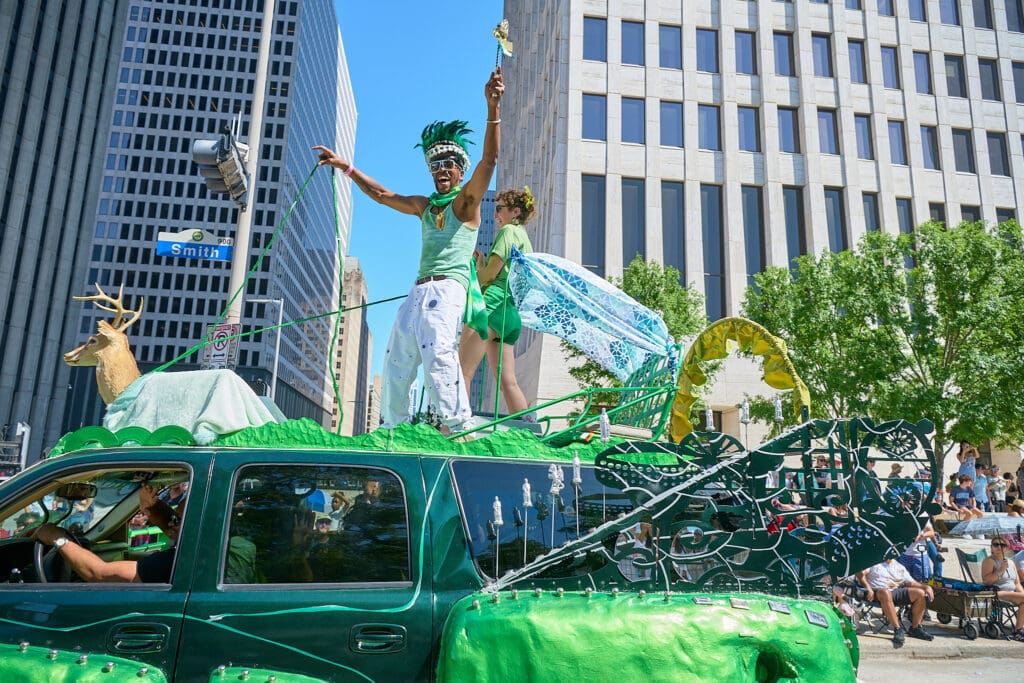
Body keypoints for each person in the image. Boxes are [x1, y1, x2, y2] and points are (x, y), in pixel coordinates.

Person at [313, 68, 504, 434]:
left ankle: (459, 428)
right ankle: (391, 429)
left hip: (448, 289)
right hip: (419, 289)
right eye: (435, 165)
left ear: (460, 170)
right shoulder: (424, 205)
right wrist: (346, 168)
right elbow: (384, 196)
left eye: (449, 164)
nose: (441, 170)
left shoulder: (465, 204)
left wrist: (492, 109)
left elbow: (490, 161)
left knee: (438, 354)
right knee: (398, 357)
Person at [458, 186, 535, 417]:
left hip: (491, 307)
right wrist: (481, 270)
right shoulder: (525, 240)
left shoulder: (508, 232)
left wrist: (468, 278)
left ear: (516, 212)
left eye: (499, 208)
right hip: (510, 315)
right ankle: (527, 433)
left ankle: (452, 431)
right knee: (508, 383)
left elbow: (491, 275)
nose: (495, 214)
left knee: (463, 370)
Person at [31, 483, 180, 583]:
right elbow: (174, 528)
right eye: (173, 518)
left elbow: (99, 574)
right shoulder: (190, 556)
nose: (171, 524)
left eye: (177, 520)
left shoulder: (175, 562)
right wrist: (152, 506)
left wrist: (58, 538)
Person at [859, 553, 935, 648]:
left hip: (895, 592)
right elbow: (860, 574)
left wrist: (926, 587)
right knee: (885, 592)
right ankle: (897, 628)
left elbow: (911, 582)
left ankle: (915, 628)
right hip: (877, 593)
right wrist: (868, 588)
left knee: (920, 593)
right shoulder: (874, 562)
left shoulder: (898, 566)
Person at [980, 538, 1024, 642]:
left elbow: (1017, 583)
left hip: (1011, 593)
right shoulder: (989, 561)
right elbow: (986, 581)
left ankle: (1019, 629)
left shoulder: (1011, 562)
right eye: (996, 545)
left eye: (1002, 545)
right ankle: (1018, 632)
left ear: (1006, 548)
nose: (999, 547)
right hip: (996, 592)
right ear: (991, 547)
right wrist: (1001, 570)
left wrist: (1022, 594)